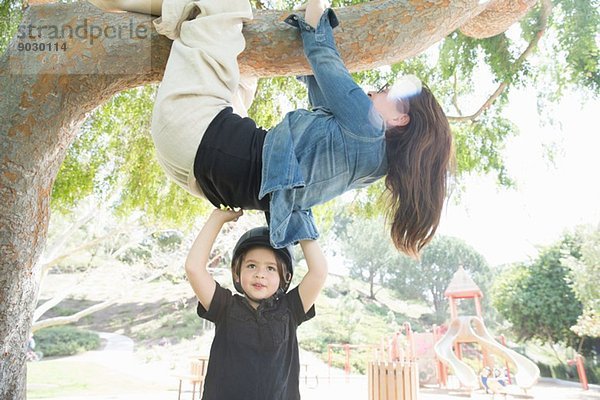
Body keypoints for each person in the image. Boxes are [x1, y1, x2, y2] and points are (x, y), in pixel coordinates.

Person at [88, 0, 453, 257]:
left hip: (200, 136)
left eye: (387, 92)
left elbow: (323, 56)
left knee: (225, 4)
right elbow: (320, 88)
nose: (375, 90)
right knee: (244, 70)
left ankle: (120, 1)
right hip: (203, 174)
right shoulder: (370, 165)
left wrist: (316, 12)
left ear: (400, 118)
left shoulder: (369, 125)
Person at [185, 208, 328, 399]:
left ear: (285, 278)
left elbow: (318, 272)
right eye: (251, 265)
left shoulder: (290, 309)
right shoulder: (225, 307)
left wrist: (299, 223)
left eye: (270, 268)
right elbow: (194, 268)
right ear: (237, 272)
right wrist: (217, 219)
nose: (260, 274)